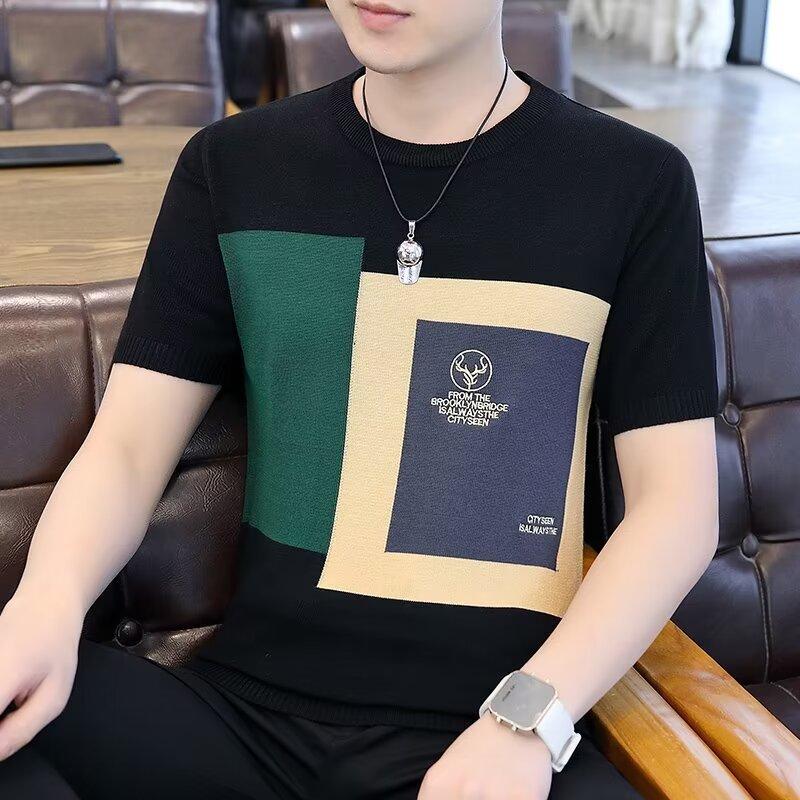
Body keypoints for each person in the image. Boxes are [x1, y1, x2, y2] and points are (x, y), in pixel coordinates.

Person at [0, 1, 720, 798]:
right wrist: (47, 602)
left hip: (482, 733)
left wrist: (527, 719)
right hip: (243, 721)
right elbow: (129, 448)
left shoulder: (633, 183)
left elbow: (676, 508)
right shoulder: (234, 165)